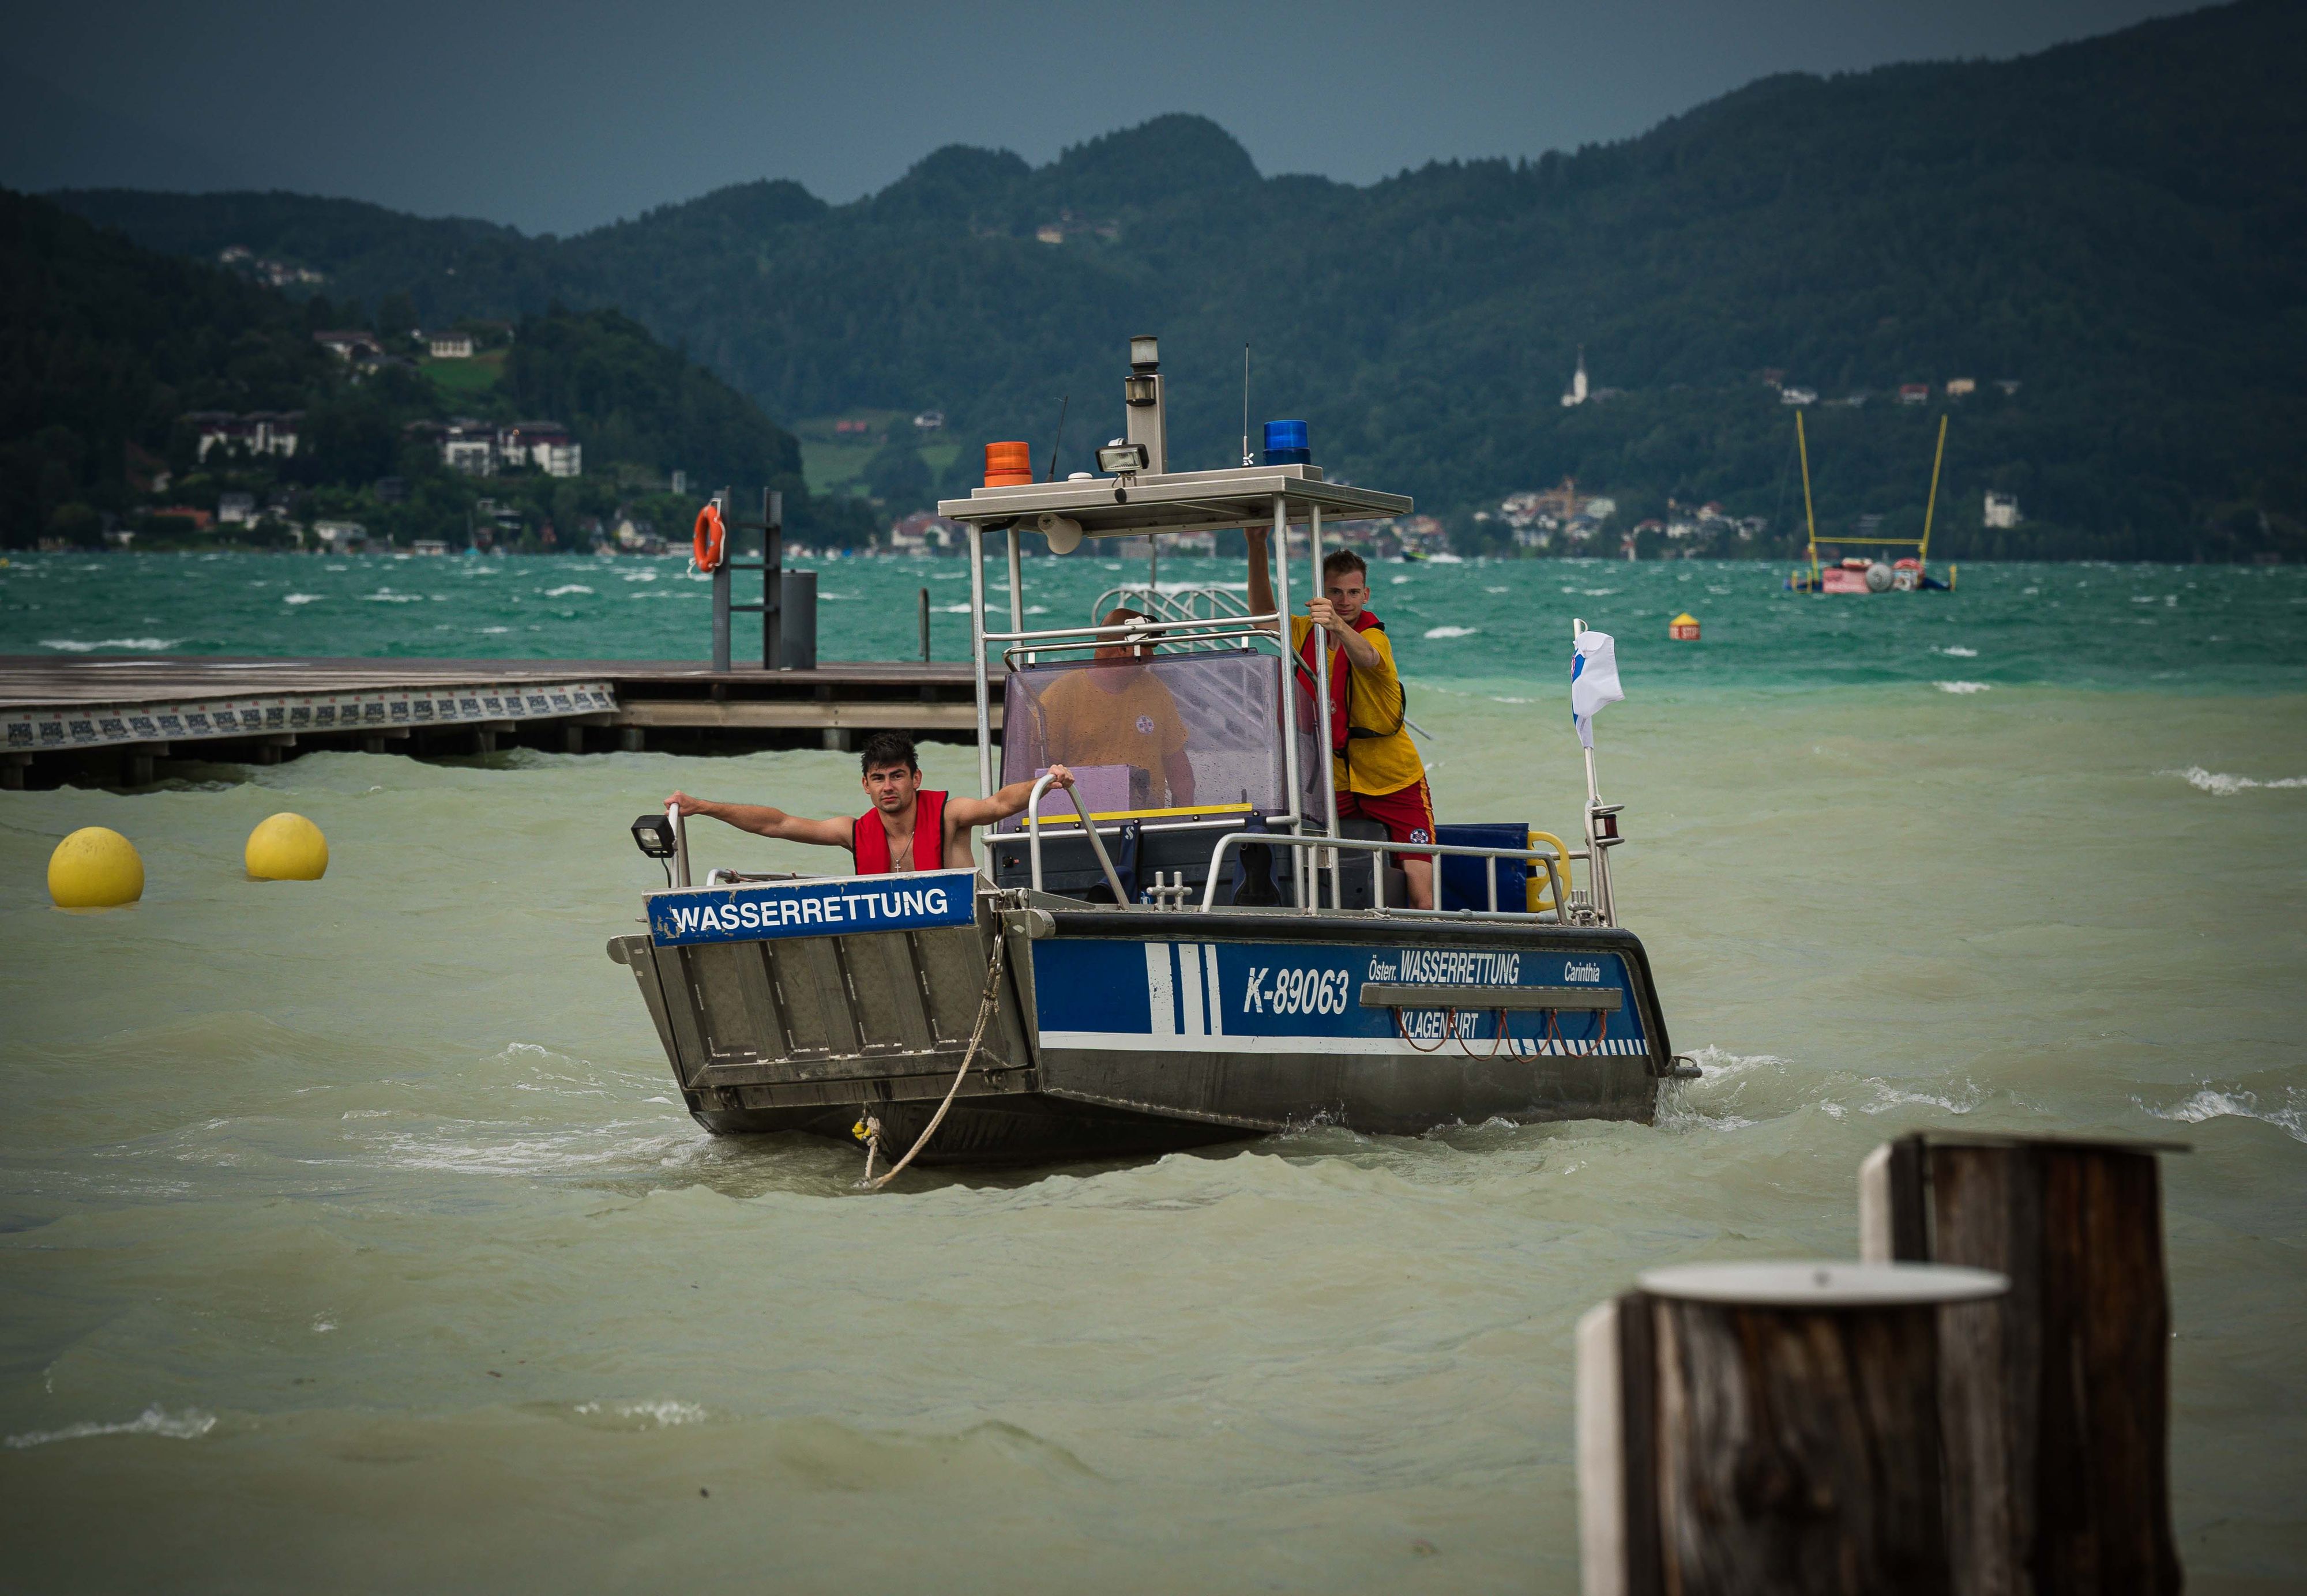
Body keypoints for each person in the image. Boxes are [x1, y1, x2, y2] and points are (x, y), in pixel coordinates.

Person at [1247, 532, 1437, 908]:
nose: (1345, 601)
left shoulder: (1373, 637)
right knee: (1305, 859)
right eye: (1335, 592)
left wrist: (1337, 626)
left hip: (1392, 779)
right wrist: (1256, 547)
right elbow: (1260, 618)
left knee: (1421, 891)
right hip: (1335, 783)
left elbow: (1367, 657)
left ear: (1365, 595)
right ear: (1322, 593)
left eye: (1353, 593)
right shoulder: (1305, 632)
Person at [667, 731, 1073, 874]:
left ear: (916, 779)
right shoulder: (854, 832)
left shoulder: (950, 815)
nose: (888, 786)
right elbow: (777, 824)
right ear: (866, 785)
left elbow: (1000, 804)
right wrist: (704, 807)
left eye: (897, 775)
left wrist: (1047, 782)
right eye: (878, 778)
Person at [1029, 607, 1196, 810]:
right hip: (1083, 822)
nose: (1152, 656)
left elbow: (1179, 770)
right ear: (1123, 648)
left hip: (1149, 823)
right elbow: (1040, 774)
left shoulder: (1155, 689)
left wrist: (1184, 819)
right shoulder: (1061, 695)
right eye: (1148, 647)